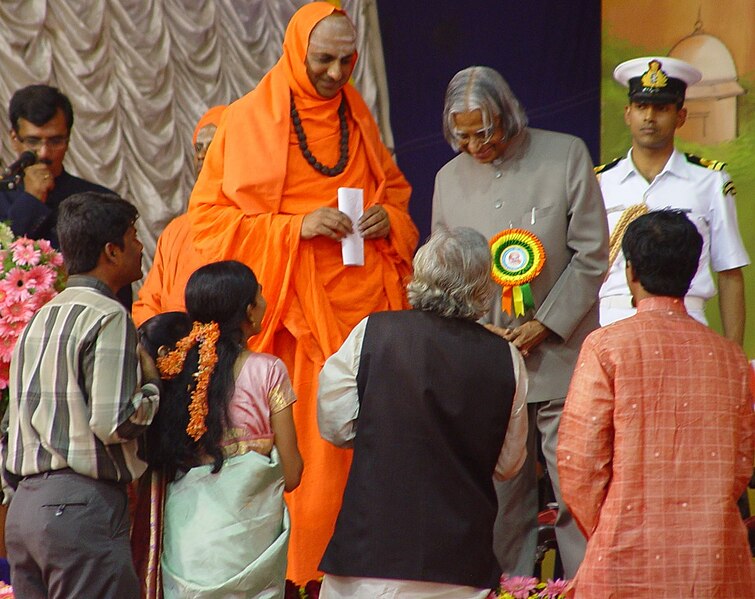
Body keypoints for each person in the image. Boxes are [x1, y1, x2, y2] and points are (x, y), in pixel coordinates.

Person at [187, 2, 418, 580]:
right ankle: (301, 579)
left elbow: (396, 195)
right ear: (295, 53)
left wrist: (388, 218)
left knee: (373, 462)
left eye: (347, 60)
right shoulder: (246, 120)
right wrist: (294, 227)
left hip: (369, 318)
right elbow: (208, 224)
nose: (337, 73)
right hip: (290, 319)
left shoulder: (356, 115)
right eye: (323, 60)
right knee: (312, 472)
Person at [432, 66, 608, 578]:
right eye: (461, 136)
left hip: (561, 355)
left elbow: (592, 254)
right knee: (501, 492)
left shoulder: (566, 154)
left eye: (483, 132)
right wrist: (473, 329)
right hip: (489, 362)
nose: (473, 146)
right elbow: (442, 269)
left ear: (507, 115)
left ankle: (582, 585)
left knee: (575, 482)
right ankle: (509, 586)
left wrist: (546, 324)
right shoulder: (447, 179)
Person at [317, 226, 528, 599]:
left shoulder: (373, 331)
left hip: (367, 554)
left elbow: (334, 426)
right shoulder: (505, 357)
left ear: (420, 276)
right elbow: (508, 463)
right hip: (458, 564)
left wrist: (380, 435)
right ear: (484, 287)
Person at [558, 209, 754, 598]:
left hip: (623, 559)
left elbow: (578, 462)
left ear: (630, 272)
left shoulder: (605, 347)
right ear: (696, 271)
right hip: (715, 561)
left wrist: (612, 524)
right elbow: (741, 462)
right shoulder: (731, 358)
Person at [0, 191, 160, 599]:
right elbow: (113, 423)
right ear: (111, 250)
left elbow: (9, 426)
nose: (141, 247)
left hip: (23, 511)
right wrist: (153, 386)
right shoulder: (108, 315)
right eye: (134, 236)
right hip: (79, 510)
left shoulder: (40, 317)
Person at [150, 260, 303, 598]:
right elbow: (291, 473)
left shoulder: (176, 373)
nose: (264, 302)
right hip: (250, 541)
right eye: (260, 295)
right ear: (249, 311)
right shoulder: (270, 371)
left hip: (189, 539)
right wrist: (255, 456)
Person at [596, 56, 749, 345]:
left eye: (662, 108)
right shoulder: (600, 182)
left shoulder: (710, 181)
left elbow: (729, 271)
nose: (649, 117)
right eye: (641, 107)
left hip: (687, 319)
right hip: (613, 320)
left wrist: (733, 353)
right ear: (627, 113)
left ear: (681, 116)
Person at [132, 105, 227, 327]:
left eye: (213, 147)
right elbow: (149, 302)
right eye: (198, 148)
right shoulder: (176, 230)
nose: (202, 155)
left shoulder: (254, 224)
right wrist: (160, 342)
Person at [0, 85, 114, 247]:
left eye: (55, 141)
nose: (44, 153)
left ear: (68, 139)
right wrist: (31, 200)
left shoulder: (100, 201)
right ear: (14, 139)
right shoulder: (2, 195)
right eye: (33, 141)